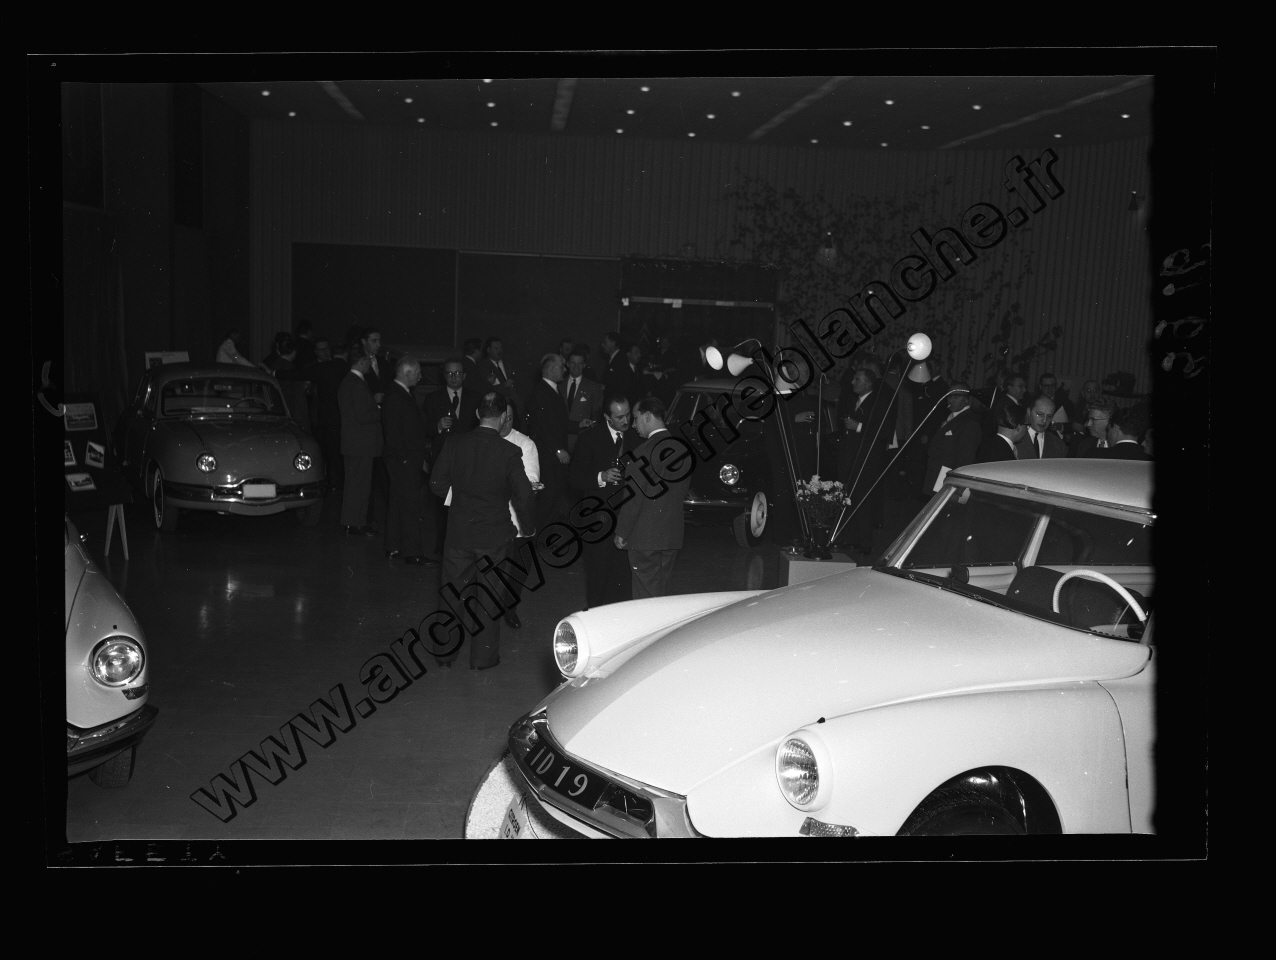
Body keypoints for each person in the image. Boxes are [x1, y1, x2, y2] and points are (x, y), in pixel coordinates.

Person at [429, 391, 535, 670]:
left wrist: (461, 499)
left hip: (458, 533)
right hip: (494, 536)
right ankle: (483, 659)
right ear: (502, 417)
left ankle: (444, 654)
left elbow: (436, 484)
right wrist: (528, 527)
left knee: (452, 594)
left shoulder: (454, 443)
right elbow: (524, 495)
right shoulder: (509, 451)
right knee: (489, 598)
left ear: (478, 414)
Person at [614, 397, 690, 600]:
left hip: (644, 538)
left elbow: (634, 499)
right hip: (671, 535)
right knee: (661, 594)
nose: (633, 425)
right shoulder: (682, 449)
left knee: (645, 597)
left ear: (647, 416)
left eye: (636, 418)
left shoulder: (643, 452)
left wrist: (622, 531)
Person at [569, 396, 640, 608]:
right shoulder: (589, 438)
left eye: (628, 415)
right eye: (619, 417)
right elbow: (574, 478)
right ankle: (596, 614)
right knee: (598, 571)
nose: (626, 421)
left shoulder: (636, 437)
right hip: (598, 516)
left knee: (623, 572)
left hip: (627, 514)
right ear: (607, 417)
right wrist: (601, 476)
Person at [381, 357, 436, 565]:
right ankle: (413, 552)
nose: (421, 377)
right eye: (418, 372)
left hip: (404, 458)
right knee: (411, 504)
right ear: (407, 373)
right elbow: (393, 433)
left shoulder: (400, 393)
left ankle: (393, 546)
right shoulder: (396, 396)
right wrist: (405, 458)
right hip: (402, 459)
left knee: (397, 503)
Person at [836, 366, 895, 555]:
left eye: (857, 379)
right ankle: (851, 538)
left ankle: (866, 542)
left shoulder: (879, 403)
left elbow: (884, 431)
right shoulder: (853, 401)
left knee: (863, 501)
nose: (852, 382)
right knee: (848, 498)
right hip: (849, 458)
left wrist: (859, 426)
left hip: (867, 460)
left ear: (868, 383)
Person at [423, 358, 478, 554]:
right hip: (443, 458)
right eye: (449, 373)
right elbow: (423, 427)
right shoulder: (433, 398)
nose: (454, 377)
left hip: (468, 458)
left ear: (464, 375)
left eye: (457, 373)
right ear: (444, 376)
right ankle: (442, 546)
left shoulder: (475, 398)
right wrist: (437, 426)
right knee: (442, 504)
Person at [524, 352, 571, 529]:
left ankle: (544, 533)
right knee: (548, 497)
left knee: (554, 497)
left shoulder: (553, 390)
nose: (564, 370)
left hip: (553, 455)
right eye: (561, 366)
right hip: (548, 456)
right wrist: (557, 449)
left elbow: (558, 422)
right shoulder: (540, 392)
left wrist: (578, 425)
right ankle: (535, 535)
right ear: (550, 368)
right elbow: (541, 426)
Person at [338, 351, 382, 537]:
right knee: (359, 486)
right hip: (361, 443)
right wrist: (381, 410)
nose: (370, 365)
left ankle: (351, 521)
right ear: (361, 362)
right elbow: (363, 416)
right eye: (368, 361)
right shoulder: (357, 384)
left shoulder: (349, 381)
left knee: (353, 485)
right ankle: (356, 523)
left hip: (353, 443)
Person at [303, 338, 348, 494]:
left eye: (327, 348)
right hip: (317, 416)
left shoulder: (338, 366)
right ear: (316, 352)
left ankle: (335, 482)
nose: (325, 352)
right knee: (321, 452)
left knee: (335, 452)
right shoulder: (311, 368)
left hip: (335, 416)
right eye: (321, 349)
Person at [922, 382, 983, 495]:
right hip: (937, 476)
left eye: (957, 396)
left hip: (948, 479)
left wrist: (956, 487)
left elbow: (965, 459)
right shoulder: (951, 416)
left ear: (966, 399)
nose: (951, 400)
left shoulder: (969, 422)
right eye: (949, 396)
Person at [561, 349, 604, 452]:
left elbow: (597, 414)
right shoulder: (559, 384)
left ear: (584, 365)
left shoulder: (593, 387)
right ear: (567, 364)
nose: (576, 366)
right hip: (561, 438)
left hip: (581, 440)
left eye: (579, 363)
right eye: (573, 363)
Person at [360, 327, 394, 402]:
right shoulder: (357, 363)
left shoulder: (383, 362)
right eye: (374, 341)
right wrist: (372, 398)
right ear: (364, 341)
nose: (378, 345)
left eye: (379, 341)